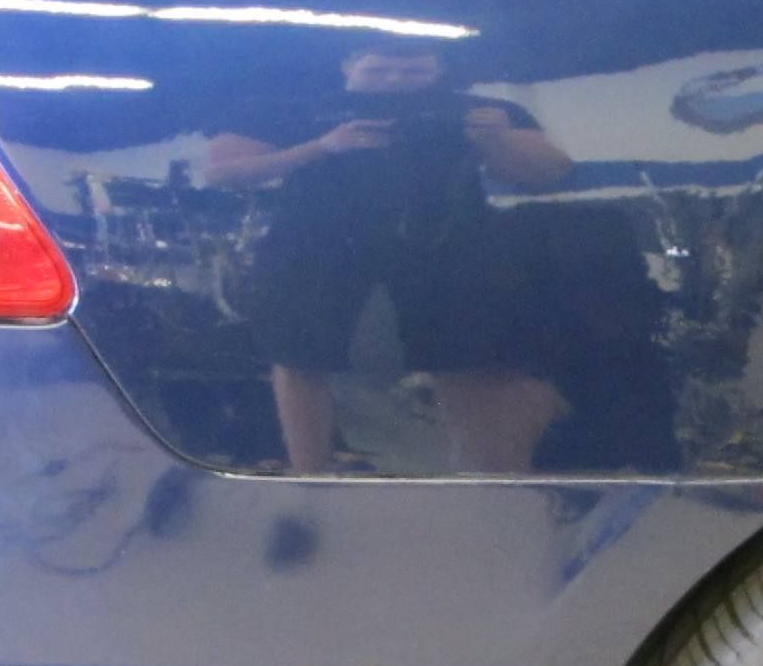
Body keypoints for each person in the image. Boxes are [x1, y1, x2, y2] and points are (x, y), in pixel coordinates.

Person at [204, 44, 573, 473]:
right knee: (299, 356)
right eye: (379, 70)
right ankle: (310, 476)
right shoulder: (293, 110)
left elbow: (549, 171)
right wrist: (322, 146)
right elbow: (221, 172)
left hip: (447, 246)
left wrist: (498, 139)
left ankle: (483, 480)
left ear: (438, 70)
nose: (395, 80)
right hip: (318, 247)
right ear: (347, 65)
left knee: (470, 358)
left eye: (412, 71)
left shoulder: (479, 111)